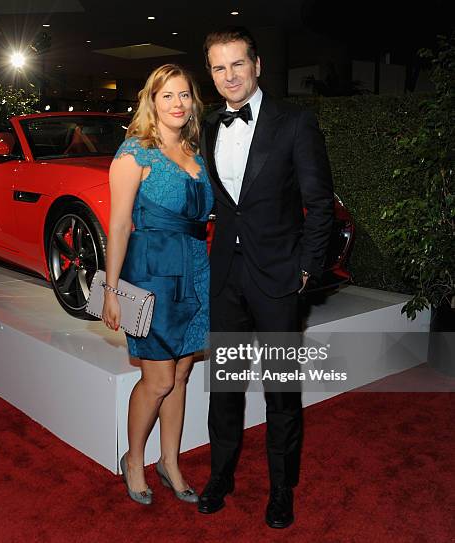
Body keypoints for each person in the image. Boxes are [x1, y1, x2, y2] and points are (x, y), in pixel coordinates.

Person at [198, 27, 334, 528]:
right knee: (226, 388)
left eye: (237, 64)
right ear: (211, 75)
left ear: (257, 65)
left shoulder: (296, 123)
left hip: (279, 280)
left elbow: (320, 205)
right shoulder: (210, 127)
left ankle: (282, 490)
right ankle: (221, 476)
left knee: (280, 393)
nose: (229, 75)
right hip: (227, 279)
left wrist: (306, 270)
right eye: (218, 67)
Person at [102, 64, 213, 505]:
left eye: (184, 95)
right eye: (167, 96)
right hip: (150, 273)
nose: (178, 104)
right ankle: (134, 459)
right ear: (152, 101)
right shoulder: (134, 154)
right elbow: (118, 225)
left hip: (195, 269)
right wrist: (111, 290)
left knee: (182, 373)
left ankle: (170, 461)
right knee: (158, 379)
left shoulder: (195, 156)